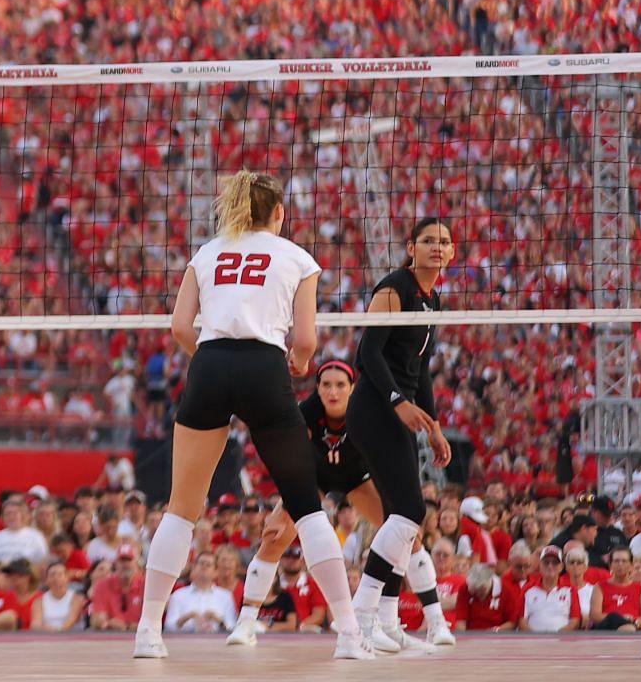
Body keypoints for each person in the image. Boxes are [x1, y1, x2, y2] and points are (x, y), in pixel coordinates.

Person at [131, 171, 370, 661]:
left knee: (181, 507)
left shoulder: (208, 251)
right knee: (305, 504)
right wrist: (300, 364)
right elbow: (304, 341)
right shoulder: (297, 258)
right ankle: (348, 633)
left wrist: (211, 358)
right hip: (264, 366)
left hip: (211, 364)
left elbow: (180, 327)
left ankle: (148, 633)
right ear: (279, 213)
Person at [346, 218, 457, 652]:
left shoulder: (434, 300)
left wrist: (434, 425)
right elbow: (366, 352)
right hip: (375, 409)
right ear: (411, 246)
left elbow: (421, 368)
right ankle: (361, 616)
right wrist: (397, 401)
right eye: (428, 240)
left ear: (452, 252)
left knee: (400, 517)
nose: (436, 247)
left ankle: (389, 622)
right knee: (411, 511)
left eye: (444, 242)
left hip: (401, 412)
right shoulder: (394, 286)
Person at [228, 359, 381, 645]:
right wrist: (279, 509)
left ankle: (392, 617)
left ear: (352, 388)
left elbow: (384, 461)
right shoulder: (305, 413)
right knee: (274, 538)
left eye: (340, 385)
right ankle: (246, 622)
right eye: (326, 385)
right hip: (314, 479)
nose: (333, 392)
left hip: (357, 477)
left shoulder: (367, 413)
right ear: (318, 388)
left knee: (401, 530)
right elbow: (293, 468)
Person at [164, 555, 236, 634]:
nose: (204, 566)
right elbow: (168, 627)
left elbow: (232, 627)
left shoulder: (226, 596)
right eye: (201, 563)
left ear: (216, 572)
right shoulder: (178, 595)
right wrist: (186, 618)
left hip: (217, 642)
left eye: (208, 564)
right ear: (194, 569)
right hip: (185, 643)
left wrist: (218, 620)